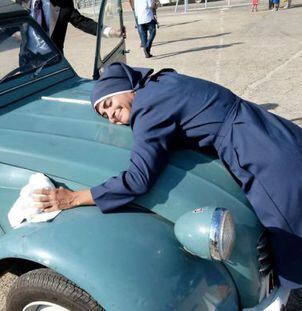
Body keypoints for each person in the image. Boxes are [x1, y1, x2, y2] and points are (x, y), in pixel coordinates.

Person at [33, 62, 302, 289]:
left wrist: (75, 198)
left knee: (290, 237)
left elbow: (139, 179)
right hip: (270, 129)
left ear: (125, 89)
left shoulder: (148, 108)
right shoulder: (162, 81)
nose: (112, 116)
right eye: (104, 115)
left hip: (260, 154)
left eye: (110, 103)